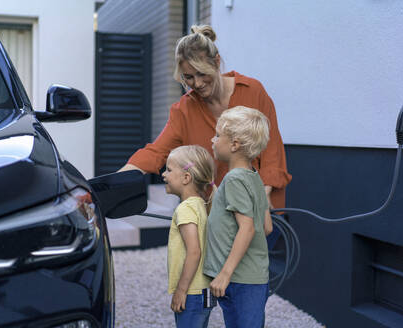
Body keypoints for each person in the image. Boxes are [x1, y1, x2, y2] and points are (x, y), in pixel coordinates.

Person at [119, 24, 291, 209]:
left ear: (216, 62)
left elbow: (272, 151)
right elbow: (155, 153)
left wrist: (262, 198)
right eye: (189, 77)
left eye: (202, 73)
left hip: (261, 206)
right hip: (216, 215)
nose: (197, 83)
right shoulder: (184, 109)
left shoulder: (252, 92)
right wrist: (113, 182)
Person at [204, 106, 273, 328]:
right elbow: (267, 227)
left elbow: (248, 228)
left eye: (217, 135)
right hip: (253, 278)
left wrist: (224, 274)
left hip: (239, 279)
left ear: (234, 144)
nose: (212, 139)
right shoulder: (254, 177)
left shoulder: (234, 179)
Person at [162, 145, 217, 328]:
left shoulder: (185, 209)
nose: (163, 174)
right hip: (203, 291)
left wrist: (181, 290)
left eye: (169, 170)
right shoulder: (201, 204)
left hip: (192, 293)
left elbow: (194, 252)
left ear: (186, 177)